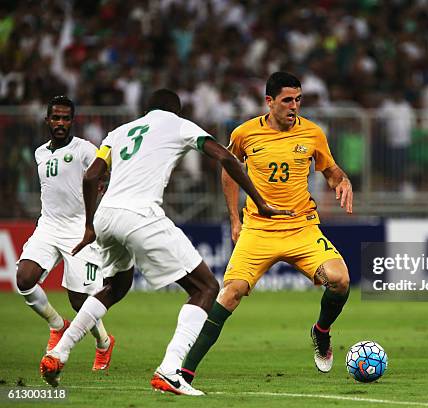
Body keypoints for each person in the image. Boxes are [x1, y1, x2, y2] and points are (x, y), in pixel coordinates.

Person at [39, 89, 288, 395]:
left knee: (115, 287)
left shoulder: (119, 132)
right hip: (141, 214)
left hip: (106, 216)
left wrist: (90, 225)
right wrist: (260, 202)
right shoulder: (179, 124)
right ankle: (170, 370)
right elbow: (225, 156)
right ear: (175, 109)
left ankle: (57, 353)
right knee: (206, 287)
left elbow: (91, 177)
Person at [179, 71, 353, 385]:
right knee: (230, 294)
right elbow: (229, 170)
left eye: (299, 99)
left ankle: (321, 332)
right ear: (269, 102)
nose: (294, 106)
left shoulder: (312, 133)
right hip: (258, 230)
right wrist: (234, 217)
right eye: (288, 100)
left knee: (340, 280)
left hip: (302, 228)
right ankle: (183, 374)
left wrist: (342, 180)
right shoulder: (245, 133)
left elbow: (330, 169)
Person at [16, 95, 114, 371]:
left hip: (78, 228)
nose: (60, 123)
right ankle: (57, 325)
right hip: (47, 226)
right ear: (47, 120)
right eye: (55, 118)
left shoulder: (85, 149)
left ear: (72, 121)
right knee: (24, 278)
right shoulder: (40, 153)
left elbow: (105, 174)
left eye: (65, 118)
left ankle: (104, 343)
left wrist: (101, 194)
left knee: (80, 300)